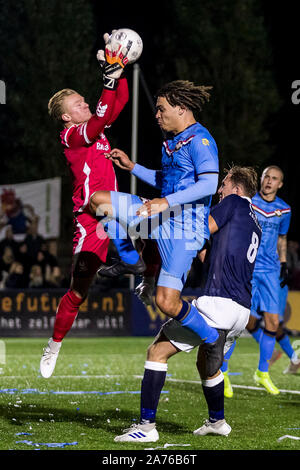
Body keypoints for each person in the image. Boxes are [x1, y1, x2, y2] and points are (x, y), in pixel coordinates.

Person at [113, 166, 261, 442]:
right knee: (207, 364)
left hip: (218, 303)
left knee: (156, 352)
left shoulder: (232, 203)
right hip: (240, 310)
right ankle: (217, 422)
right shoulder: (254, 221)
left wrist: (160, 216)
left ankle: (146, 427)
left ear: (237, 189)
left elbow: (200, 230)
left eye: (224, 184)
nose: (220, 190)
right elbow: (209, 255)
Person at [90, 80, 220, 346]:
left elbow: (209, 184)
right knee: (98, 201)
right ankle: (131, 260)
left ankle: (212, 339)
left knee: (166, 302)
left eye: (161, 109)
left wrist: (165, 201)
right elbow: (167, 181)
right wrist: (133, 167)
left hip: (186, 229)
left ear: (181, 108)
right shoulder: (172, 142)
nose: (157, 115)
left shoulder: (201, 140)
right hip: (161, 217)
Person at [39, 33, 130, 378]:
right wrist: (110, 74)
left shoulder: (95, 129)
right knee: (79, 290)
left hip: (114, 210)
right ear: (66, 117)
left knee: (152, 223)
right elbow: (102, 117)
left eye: (83, 100)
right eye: (77, 104)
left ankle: (136, 269)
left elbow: (117, 103)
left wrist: (119, 70)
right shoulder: (71, 136)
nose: (84, 105)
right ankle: (54, 344)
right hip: (90, 219)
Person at [223, 166, 292, 396]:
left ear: (280, 184)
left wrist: (283, 263)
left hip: (271, 270)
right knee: (239, 321)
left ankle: (262, 373)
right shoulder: (248, 202)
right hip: (248, 266)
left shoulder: (285, 209)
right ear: (261, 180)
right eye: (266, 177)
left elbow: (282, 238)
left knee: (273, 322)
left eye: (274, 179)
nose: (269, 182)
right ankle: (222, 372)